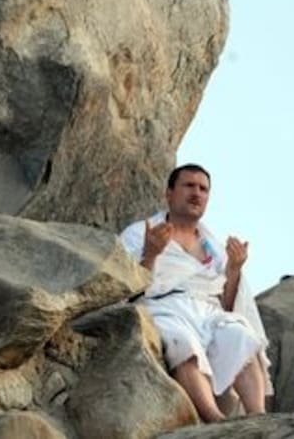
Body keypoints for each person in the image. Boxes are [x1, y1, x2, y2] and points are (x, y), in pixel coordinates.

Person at [119, 164, 272, 422]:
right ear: (169, 193)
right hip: (164, 306)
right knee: (183, 342)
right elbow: (126, 287)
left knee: (241, 335)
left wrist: (234, 270)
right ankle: (215, 419)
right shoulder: (139, 233)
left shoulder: (213, 245)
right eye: (189, 186)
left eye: (203, 189)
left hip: (208, 309)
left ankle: (259, 416)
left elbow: (228, 303)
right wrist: (151, 253)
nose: (196, 193)